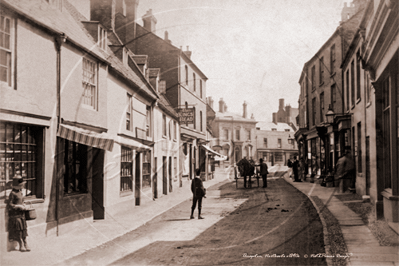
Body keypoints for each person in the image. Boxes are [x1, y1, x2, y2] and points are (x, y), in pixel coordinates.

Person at [7, 175, 31, 252]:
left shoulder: (20, 192)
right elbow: (10, 205)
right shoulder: (12, 193)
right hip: (16, 215)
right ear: (17, 185)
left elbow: (22, 200)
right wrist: (19, 206)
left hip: (22, 214)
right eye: (21, 185)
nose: (22, 186)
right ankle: (21, 245)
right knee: (18, 231)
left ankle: (26, 244)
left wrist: (24, 204)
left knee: (24, 230)